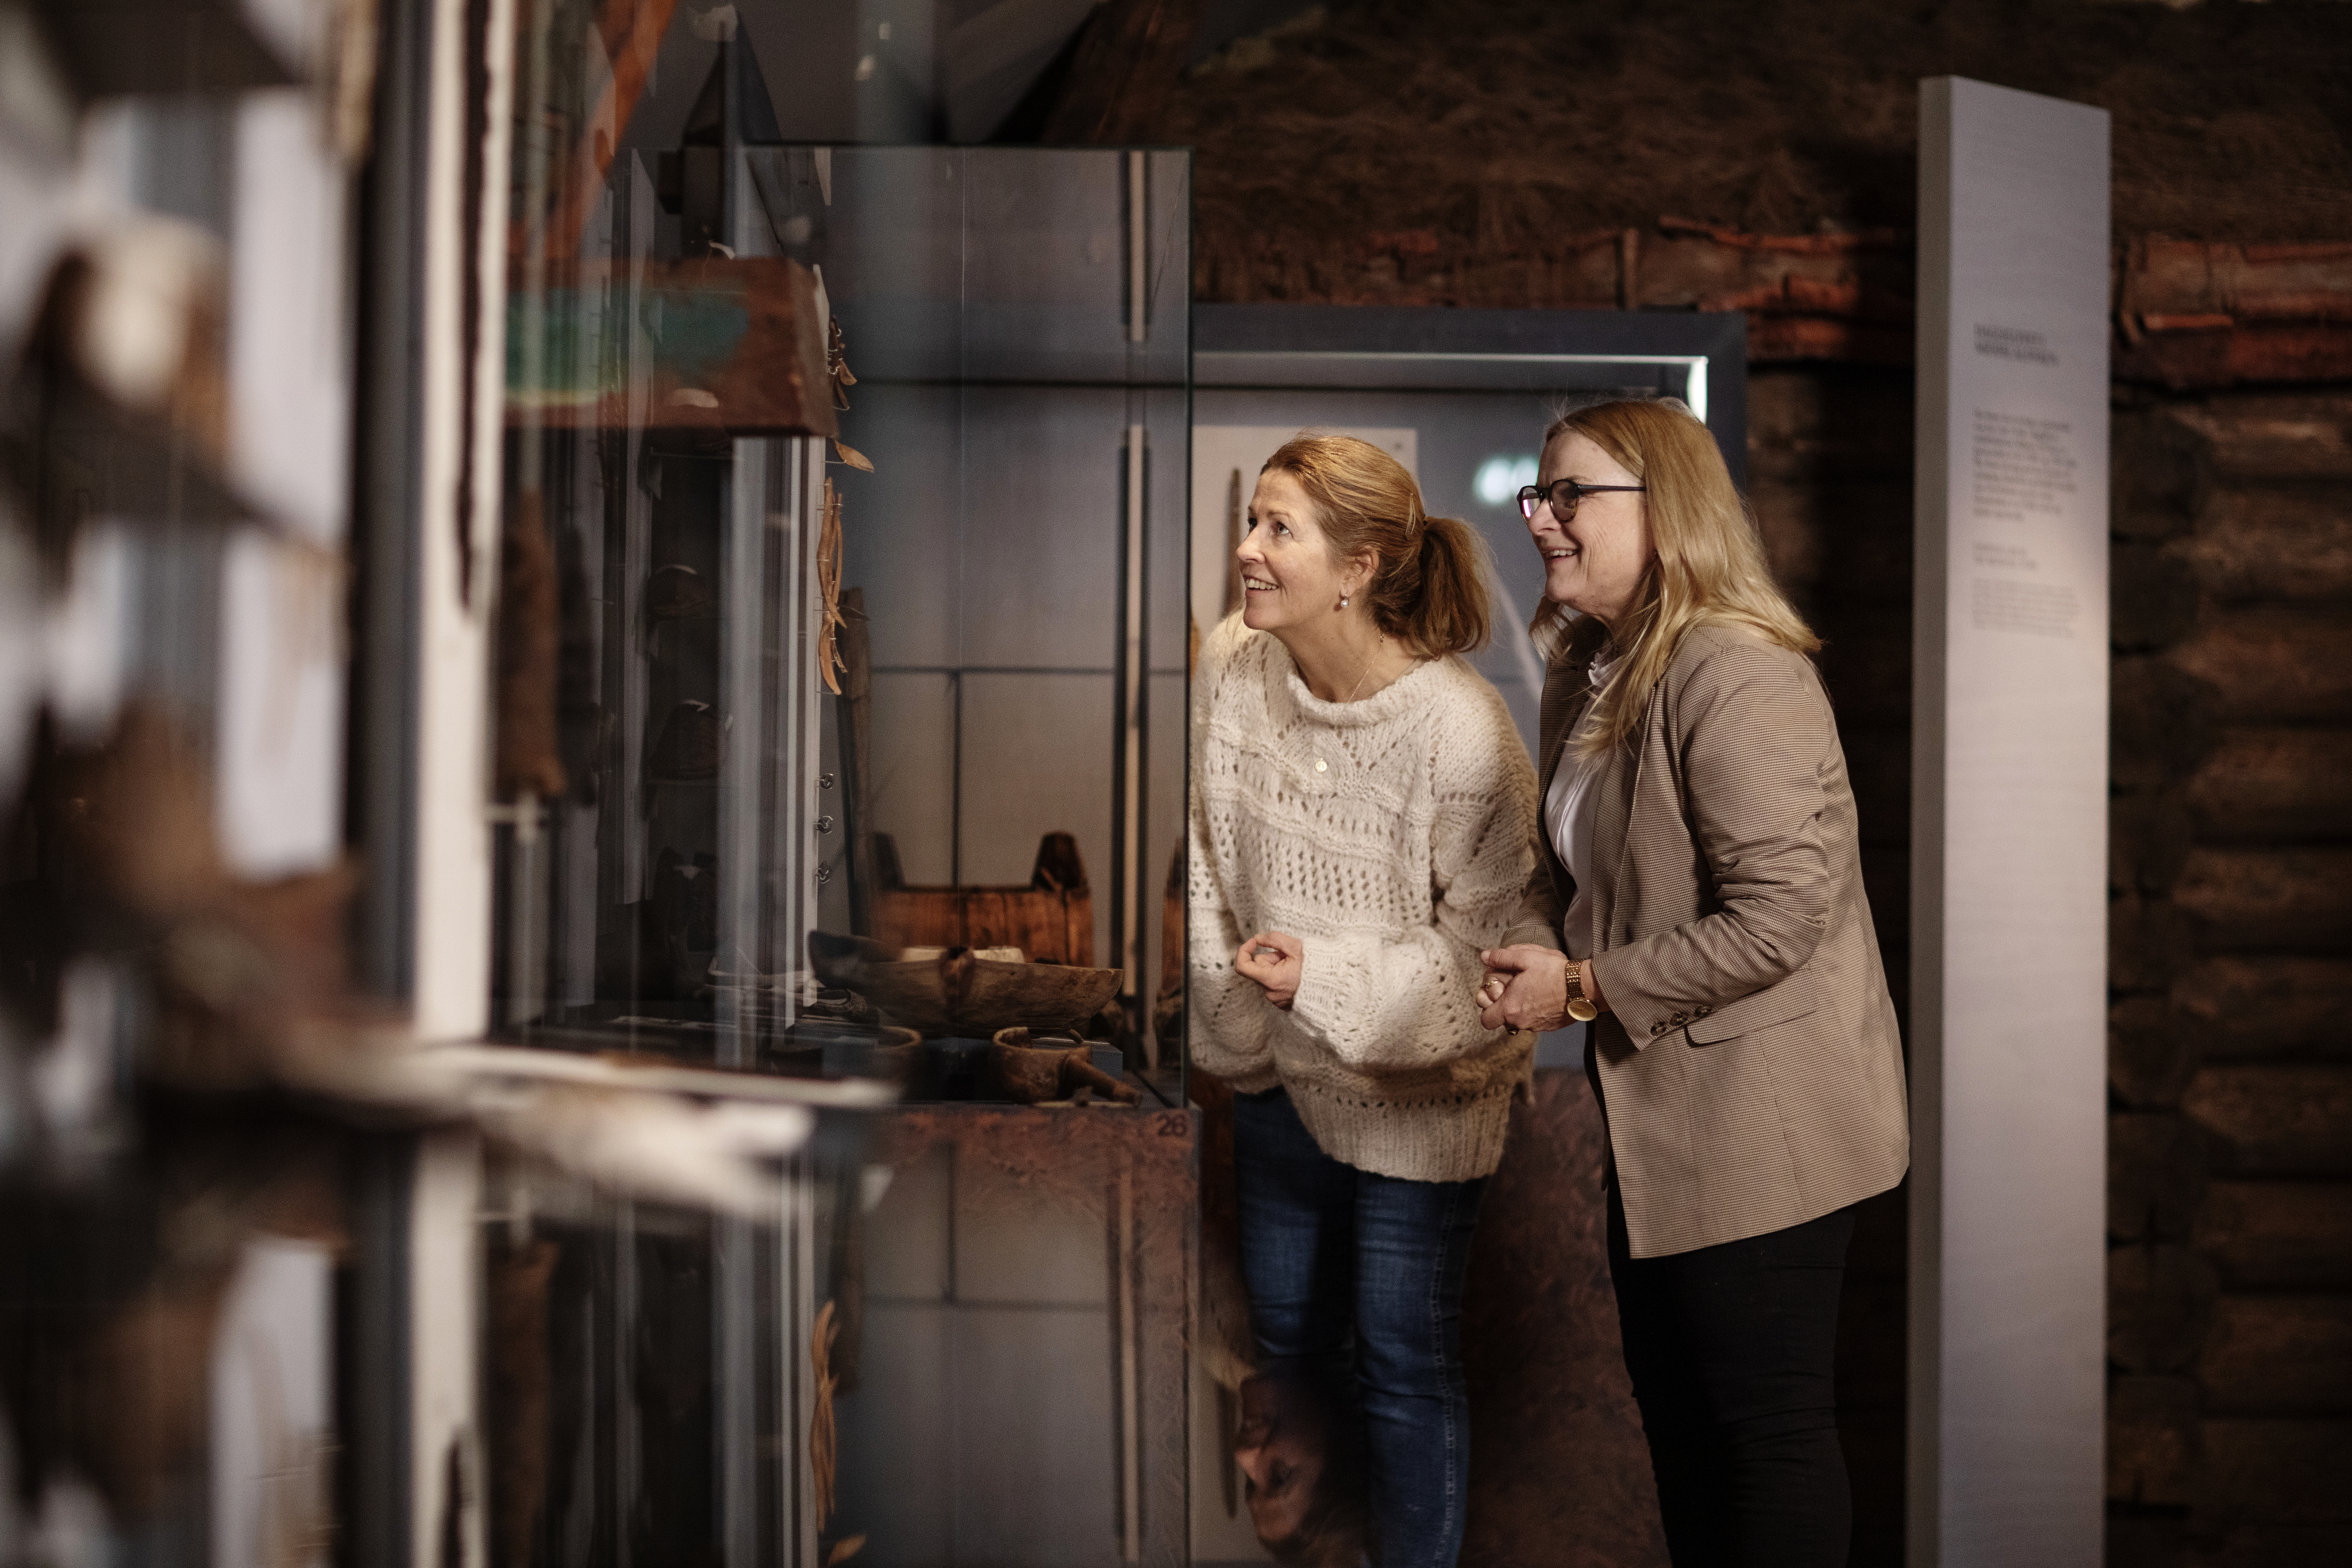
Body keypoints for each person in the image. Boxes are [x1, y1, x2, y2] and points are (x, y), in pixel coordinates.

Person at [1477, 398, 1909, 1567]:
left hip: (1764, 1121)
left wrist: (1577, 988)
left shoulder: (1737, 670)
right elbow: (1567, 875)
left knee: (1762, 1442)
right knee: (1683, 1435)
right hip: (1662, 1126)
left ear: (1665, 509)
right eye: (1539, 494)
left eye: (1572, 494)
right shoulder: (1587, 664)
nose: (1542, 519)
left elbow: (1778, 919)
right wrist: (1523, 946)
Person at [1187, 432, 1551, 1568]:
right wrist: (1239, 1039)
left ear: (1358, 567)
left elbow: (1494, 963)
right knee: (1287, 1350)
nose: (1247, 549)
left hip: (1428, 1095)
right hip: (1279, 1072)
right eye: (1252, 520)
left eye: (1277, 528)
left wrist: (1323, 979)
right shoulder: (1233, 662)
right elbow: (1209, 861)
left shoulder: (1462, 733)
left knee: (1401, 1362)